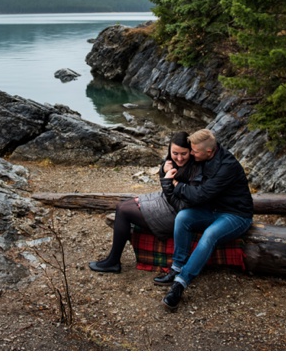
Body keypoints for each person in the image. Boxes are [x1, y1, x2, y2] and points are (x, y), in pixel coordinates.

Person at [154, 128, 253, 312]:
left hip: (236, 215)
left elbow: (199, 196)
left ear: (208, 151)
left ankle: (180, 284)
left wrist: (175, 184)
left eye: (194, 151)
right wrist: (166, 170)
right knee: (183, 217)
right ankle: (176, 267)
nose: (190, 154)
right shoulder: (204, 158)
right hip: (213, 210)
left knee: (210, 235)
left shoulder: (227, 166)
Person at [88, 131, 197, 273]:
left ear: (191, 152)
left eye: (184, 154)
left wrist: (169, 181)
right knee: (122, 206)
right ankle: (112, 260)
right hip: (167, 201)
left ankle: (113, 261)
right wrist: (165, 170)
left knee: (123, 211)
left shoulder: (194, 168)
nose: (179, 158)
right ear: (170, 150)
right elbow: (166, 184)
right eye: (175, 153)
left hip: (176, 212)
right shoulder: (172, 161)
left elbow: (181, 203)